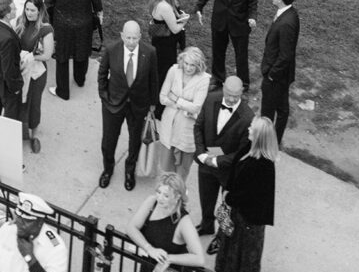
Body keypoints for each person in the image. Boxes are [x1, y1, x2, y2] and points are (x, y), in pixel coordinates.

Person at [214, 116, 277, 272]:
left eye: (252, 129)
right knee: (232, 246)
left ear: (259, 136)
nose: (248, 130)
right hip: (239, 211)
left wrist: (228, 197)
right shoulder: (248, 148)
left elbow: (249, 193)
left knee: (244, 253)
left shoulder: (263, 165)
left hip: (250, 218)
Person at [98, 20, 159, 190]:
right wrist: (104, 96)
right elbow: (102, 74)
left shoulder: (150, 52)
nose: (131, 42)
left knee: (135, 141)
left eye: (134, 38)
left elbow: (153, 79)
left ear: (140, 36)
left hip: (138, 106)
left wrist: (153, 104)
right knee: (108, 141)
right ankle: (107, 170)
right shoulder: (111, 50)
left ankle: (129, 171)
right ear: (122, 35)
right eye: (128, 38)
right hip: (113, 104)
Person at [193, 76, 255, 239]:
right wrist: (201, 153)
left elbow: (241, 153)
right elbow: (198, 127)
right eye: (229, 94)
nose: (232, 99)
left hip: (228, 171)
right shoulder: (211, 98)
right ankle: (206, 226)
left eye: (236, 96)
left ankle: (221, 238)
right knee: (205, 198)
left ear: (242, 92)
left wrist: (215, 160)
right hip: (205, 161)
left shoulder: (248, 117)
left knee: (226, 207)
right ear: (223, 89)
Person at [194, 0, 259, 92]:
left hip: (240, 23)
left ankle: (243, 84)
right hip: (220, 20)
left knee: (241, 55)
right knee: (218, 51)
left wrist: (252, 17)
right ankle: (218, 78)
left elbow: (252, 1)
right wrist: (199, 6)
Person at [44, 0, 102, 100]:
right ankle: (80, 79)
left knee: (62, 57)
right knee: (82, 51)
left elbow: (47, 1)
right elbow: (96, 1)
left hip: (62, 25)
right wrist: (99, 14)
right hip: (84, 23)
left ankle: (63, 91)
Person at [158, 46, 211, 181]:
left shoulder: (204, 79)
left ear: (198, 65)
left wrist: (175, 98)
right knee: (166, 169)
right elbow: (163, 98)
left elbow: (196, 107)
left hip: (186, 131)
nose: (188, 68)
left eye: (192, 65)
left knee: (182, 172)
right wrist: (186, 105)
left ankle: (178, 196)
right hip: (169, 126)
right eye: (186, 63)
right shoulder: (174, 70)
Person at [260, 0, 300, 144]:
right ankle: (275, 140)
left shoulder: (286, 23)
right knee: (282, 109)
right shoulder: (290, 14)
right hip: (282, 75)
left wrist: (271, 75)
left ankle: (265, 144)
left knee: (267, 111)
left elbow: (285, 55)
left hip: (276, 76)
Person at [12, 0, 54, 153]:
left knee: (34, 103)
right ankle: (21, 129)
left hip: (36, 72)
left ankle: (34, 135)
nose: (29, 13)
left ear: (40, 11)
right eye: (27, 9)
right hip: (21, 69)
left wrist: (32, 56)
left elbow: (48, 55)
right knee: (19, 101)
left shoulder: (46, 29)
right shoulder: (20, 22)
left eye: (33, 10)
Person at [150, 0, 190, 116]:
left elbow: (174, 17)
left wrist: (180, 15)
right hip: (164, 46)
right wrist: (185, 21)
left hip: (164, 42)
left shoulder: (166, 0)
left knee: (164, 73)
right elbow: (175, 28)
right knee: (164, 75)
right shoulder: (164, 6)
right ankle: (159, 108)